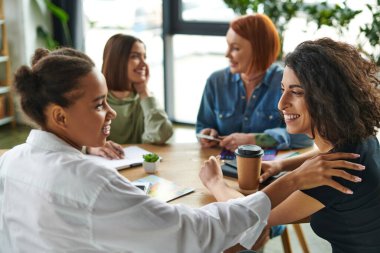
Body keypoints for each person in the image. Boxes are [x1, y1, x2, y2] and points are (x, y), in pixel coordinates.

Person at [0, 47, 363, 253]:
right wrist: (290, 178)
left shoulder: (11, 160)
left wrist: (288, 164)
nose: (109, 111)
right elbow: (190, 233)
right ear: (59, 115)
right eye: (98, 105)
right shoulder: (92, 182)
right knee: (241, 242)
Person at [207, 38, 380, 252]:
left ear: (327, 98)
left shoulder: (337, 173)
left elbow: (252, 215)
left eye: (296, 92)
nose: (281, 104)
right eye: (283, 89)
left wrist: (215, 183)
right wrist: (280, 166)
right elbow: (326, 155)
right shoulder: (362, 139)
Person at [196, 14, 313, 152]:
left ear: (259, 50)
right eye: (228, 46)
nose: (227, 54)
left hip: (271, 168)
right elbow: (202, 125)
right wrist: (206, 134)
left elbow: (305, 138)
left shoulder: (287, 82)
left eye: (235, 48)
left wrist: (255, 139)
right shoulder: (216, 81)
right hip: (222, 164)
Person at [102, 33, 173, 145]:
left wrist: (144, 91)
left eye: (144, 57)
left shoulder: (146, 98)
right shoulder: (95, 100)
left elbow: (161, 135)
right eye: (135, 56)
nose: (144, 63)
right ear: (116, 60)